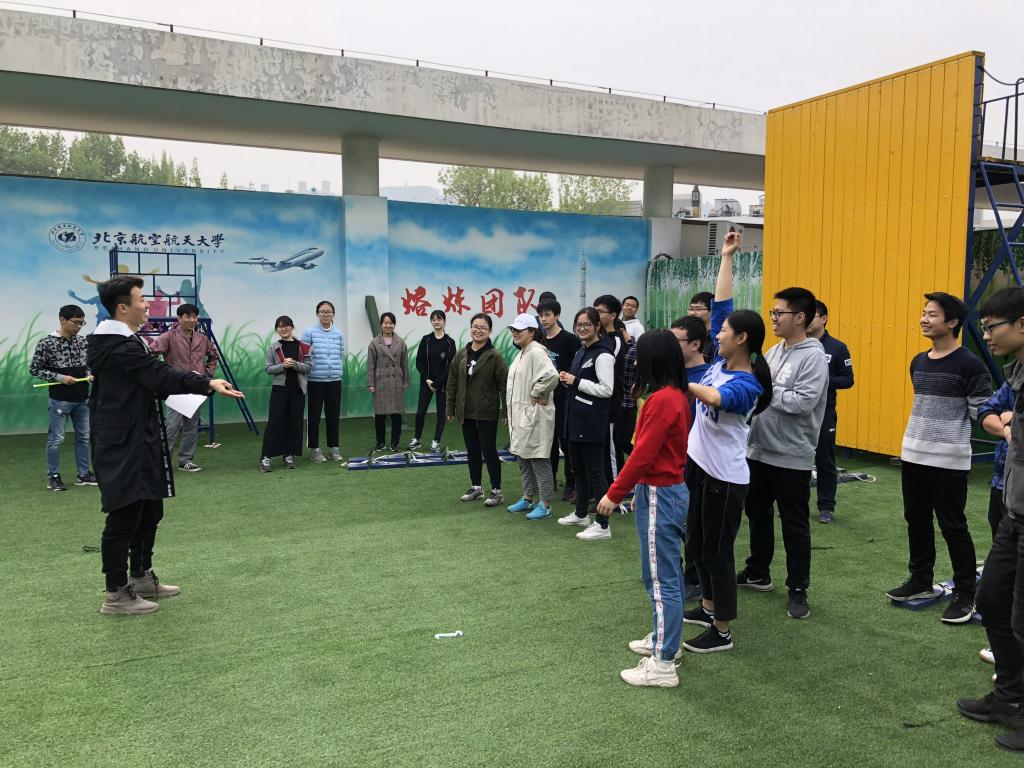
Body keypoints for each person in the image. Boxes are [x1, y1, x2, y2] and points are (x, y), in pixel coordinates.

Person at [88, 276, 242, 615]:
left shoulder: (127, 341)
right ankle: (116, 594)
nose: (147, 305)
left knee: (149, 509)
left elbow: (153, 382)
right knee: (125, 514)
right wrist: (207, 383)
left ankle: (141, 576)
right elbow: (159, 375)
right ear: (123, 307)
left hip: (140, 435)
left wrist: (200, 382)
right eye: (141, 299)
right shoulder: (118, 346)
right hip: (122, 440)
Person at [682, 231, 771, 653]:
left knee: (718, 553)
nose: (716, 335)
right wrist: (727, 257)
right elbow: (722, 303)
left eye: (724, 332)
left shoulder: (747, 383)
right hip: (701, 468)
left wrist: (678, 379)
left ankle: (721, 631)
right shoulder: (721, 359)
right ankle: (707, 606)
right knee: (697, 545)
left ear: (743, 340)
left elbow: (717, 399)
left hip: (725, 479)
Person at [886, 292, 990, 625]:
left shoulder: (971, 365)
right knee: (915, 519)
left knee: (953, 526)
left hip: (949, 459)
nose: (924, 319)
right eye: (924, 313)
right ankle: (920, 580)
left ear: (952, 322)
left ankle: (965, 593)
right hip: (913, 453)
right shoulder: (918, 361)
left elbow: (981, 411)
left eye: (932, 314)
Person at [595, 329, 690, 687]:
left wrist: (614, 493)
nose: (634, 363)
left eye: (639, 357)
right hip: (659, 490)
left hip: (662, 493)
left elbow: (643, 454)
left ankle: (663, 662)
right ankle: (664, 640)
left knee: (662, 577)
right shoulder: (670, 396)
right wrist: (637, 489)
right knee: (660, 573)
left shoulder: (662, 400)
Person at [957, 286, 1024, 753]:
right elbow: (988, 412)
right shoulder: (1014, 372)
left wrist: (1009, 424)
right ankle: (1010, 697)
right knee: (993, 600)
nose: (986, 335)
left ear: (1021, 324)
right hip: (1014, 511)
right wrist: (1007, 423)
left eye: (991, 327)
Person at [741, 284, 828, 620]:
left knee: (794, 524)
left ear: (800, 317)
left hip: (792, 455)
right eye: (772, 312)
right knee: (757, 513)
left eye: (779, 313)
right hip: (759, 450)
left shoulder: (814, 356)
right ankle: (758, 572)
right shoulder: (774, 350)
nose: (774, 318)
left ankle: (798, 589)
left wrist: (763, 390)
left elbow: (802, 402)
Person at [557, 307, 616, 540]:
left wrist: (576, 381)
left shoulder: (603, 354)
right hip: (574, 420)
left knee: (596, 473)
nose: (582, 329)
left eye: (586, 325)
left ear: (597, 326)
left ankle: (603, 524)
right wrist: (568, 381)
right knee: (578, 470)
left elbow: (607, 389)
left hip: (592, 422)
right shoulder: (581, 351)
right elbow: (578, 383)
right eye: (578, 325)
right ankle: (581, 513)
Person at [30, 304, 96, 491]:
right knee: (56, 439)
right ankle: (54, 476)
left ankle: (83, 474)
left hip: (82, 399)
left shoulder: (82, 341)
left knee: (84, 437)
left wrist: (90, 374)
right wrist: (60, 378)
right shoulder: (47, 343)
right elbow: (35, 369)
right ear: (62, 320)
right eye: (76, 322)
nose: (79, 326)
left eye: (82, 323)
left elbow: (88, 365)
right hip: (60, 400)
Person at [670, 314, 713, 599]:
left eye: (676, 340)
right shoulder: (673, 374)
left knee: (696, 523)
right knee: (677, 519)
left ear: (695, 344)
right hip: (674, 460)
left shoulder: (710, 376)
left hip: (700, 461)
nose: (670, 346)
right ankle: (682, 573)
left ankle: (696, 578)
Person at [446, 313, 508, 507]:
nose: (478, 330)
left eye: (483, 328)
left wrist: (506, 411)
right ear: (470, 327)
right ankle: (476, 487)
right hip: (466, 411)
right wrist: (450, 407)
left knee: (489, 450)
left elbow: (504, 386)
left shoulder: (495, 356)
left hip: (487, 411)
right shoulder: (461, 354)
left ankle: (497, 491)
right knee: (472, 450)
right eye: (475, 326)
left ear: (490, 331)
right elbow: (452, 382)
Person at [150, 303, 219, 473]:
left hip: (196, 388)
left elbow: (214, 355)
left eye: (195, 316)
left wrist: (206, 375)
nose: (192, 320)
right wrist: (162, 374)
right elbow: (150, 353)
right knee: (171, 427)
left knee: (192, 427)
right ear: (179, 318)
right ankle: (163, 462)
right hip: (175, 388)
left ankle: (186, 461)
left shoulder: (202, 338)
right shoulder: (168, 337)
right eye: (188, 316)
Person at [504, 314, 560, 520]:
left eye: (520, 329)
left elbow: (551, 375)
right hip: (522, 415)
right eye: (513, 329)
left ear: (532, 332)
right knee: (524, 457)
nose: (515, 333)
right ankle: (528, 497)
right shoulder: (522, 353)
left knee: (538, 458)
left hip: (534, 414)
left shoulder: (536, 351)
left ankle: (545, 504)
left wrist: (537, 393)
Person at [976, 380, 1014, 678]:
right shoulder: (1014, 380)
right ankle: (1008, 650)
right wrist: (1006, 427)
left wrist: (1012, 417)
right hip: (1002, 483)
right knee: (1001, 577)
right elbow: (986, 411)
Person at [806, 300, 854, 523]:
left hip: (824, 412)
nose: (806, 319)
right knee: (798, 459)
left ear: (824, 319)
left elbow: (848, 380)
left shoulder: (837, 347)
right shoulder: (798, 345)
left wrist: (822, 380)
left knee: (825, 459)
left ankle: (826, 507)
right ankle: (796, 503)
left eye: (812, 316)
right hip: (799, 412)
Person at [538, 298, 581, 501]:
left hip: (566, 399)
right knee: (549, 442)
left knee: (566, 442)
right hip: (546, 399)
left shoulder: (569, 339)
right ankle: (550, 481)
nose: (543, 319)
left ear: (557, 316)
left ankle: (571, 483)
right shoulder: (541, 342)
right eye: (541, 315)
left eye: (547, 315)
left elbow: (579, 364)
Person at [260, 316, 313, 472]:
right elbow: (268, 369)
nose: (283, 329)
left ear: (292, 327)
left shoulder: (303, 347)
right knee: (274, 423)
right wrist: (283, 366)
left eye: (286, 326)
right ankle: (265, 457)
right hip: (279, 390)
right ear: (277, 329)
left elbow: (309, 367)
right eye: (280, 326)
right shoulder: (273, 347)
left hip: (298, 390)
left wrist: (294, 364)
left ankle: (289, 455)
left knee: (295, 423)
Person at [301, 300, 345, 464]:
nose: (326, 314)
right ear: (317, 314)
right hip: (315, 381)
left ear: (333, 314)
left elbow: (340, 354)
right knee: (314, 416)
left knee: (333, 416)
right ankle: (315, 449)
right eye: (322, 311)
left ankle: (334, 447)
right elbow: (303, 356)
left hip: (334, 380)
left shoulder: (338, 333)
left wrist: (338, 370)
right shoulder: (309, 332)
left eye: (329, 311)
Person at [593, 294, 629, 481]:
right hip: (598, 401)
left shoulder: (615, 341)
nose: (596, 315)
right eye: (595, 310)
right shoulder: (599, 339)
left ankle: (617, 488)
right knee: (602, 448)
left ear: (613, 315)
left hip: (612, 402)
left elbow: (605, 367)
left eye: (600, 312)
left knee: (612, 449)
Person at [411, 310, 456, 451]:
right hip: (426, 383)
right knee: (420, 412)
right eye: (433, 319)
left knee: (441, 414)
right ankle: (417, 439)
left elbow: (451, 366)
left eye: (439, 319)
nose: (436, 322)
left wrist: (438, 383)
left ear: (444, 321)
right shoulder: (426, 340)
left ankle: (436, 441)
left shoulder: (450, 342)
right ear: (431, 321)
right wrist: (427, 379)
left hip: (442, 384)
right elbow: (419, 362)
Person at [367, 312, 410, 452]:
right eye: (385, 323)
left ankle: (394, 443)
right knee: (380, 415)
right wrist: (371, 383)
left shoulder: (400, 342)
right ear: (381, 324)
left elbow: (405, 364)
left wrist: (405, 381)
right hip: (380, 381)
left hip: (396, 380)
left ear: (394, 324)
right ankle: (380, 443)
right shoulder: (374, 342)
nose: (388, 325)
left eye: (391, 323)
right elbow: (371, 365)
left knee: (396, 414)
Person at [689, 291, 715, 363]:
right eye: (691, 309)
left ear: (711, 311)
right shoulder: (688, 336)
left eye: (698, 309)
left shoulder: (715, 339)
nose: (692, 313)